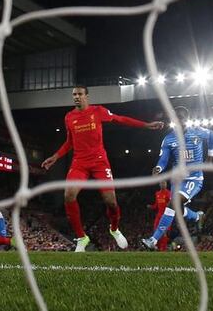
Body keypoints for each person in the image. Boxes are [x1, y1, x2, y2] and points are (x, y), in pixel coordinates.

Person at [41, 85, 163, 252]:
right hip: (79, 163)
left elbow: (120, 119)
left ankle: (114, 229)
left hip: (99, 162)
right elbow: (69, 142)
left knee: (111, 202)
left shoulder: (98, 111)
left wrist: (146, 125)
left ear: (86, 96)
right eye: (74, 94)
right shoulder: (69, 117)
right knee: (69, 196)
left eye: (80, 94)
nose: (76, 97)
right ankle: (81, 238)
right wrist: (55, 157)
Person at [142, 106, 213, 250]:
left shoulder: (198, 132)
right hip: (177, 181)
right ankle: (196, 216)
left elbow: (211, 135)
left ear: (186, 119)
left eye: (181, 117)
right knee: (176, 209)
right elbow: (163, 159)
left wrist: (210, 156)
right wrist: (158, 168)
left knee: (172, 204)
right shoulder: (168, 139)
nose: (178, 120)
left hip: (194, 179)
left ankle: (153, 240)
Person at [147, 180, 172, 251]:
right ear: (159, 184)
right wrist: (151, 207)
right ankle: (157, 247)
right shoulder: (157, 193)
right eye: (162, 183)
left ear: (166, 184)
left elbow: (171, 203)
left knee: (163, 232)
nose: (163, 185)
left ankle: (163, 249)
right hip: (159, 215)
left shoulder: (169, 193)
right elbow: (156, 205)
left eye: (164, 183)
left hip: (166, 215)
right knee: (156, 231)